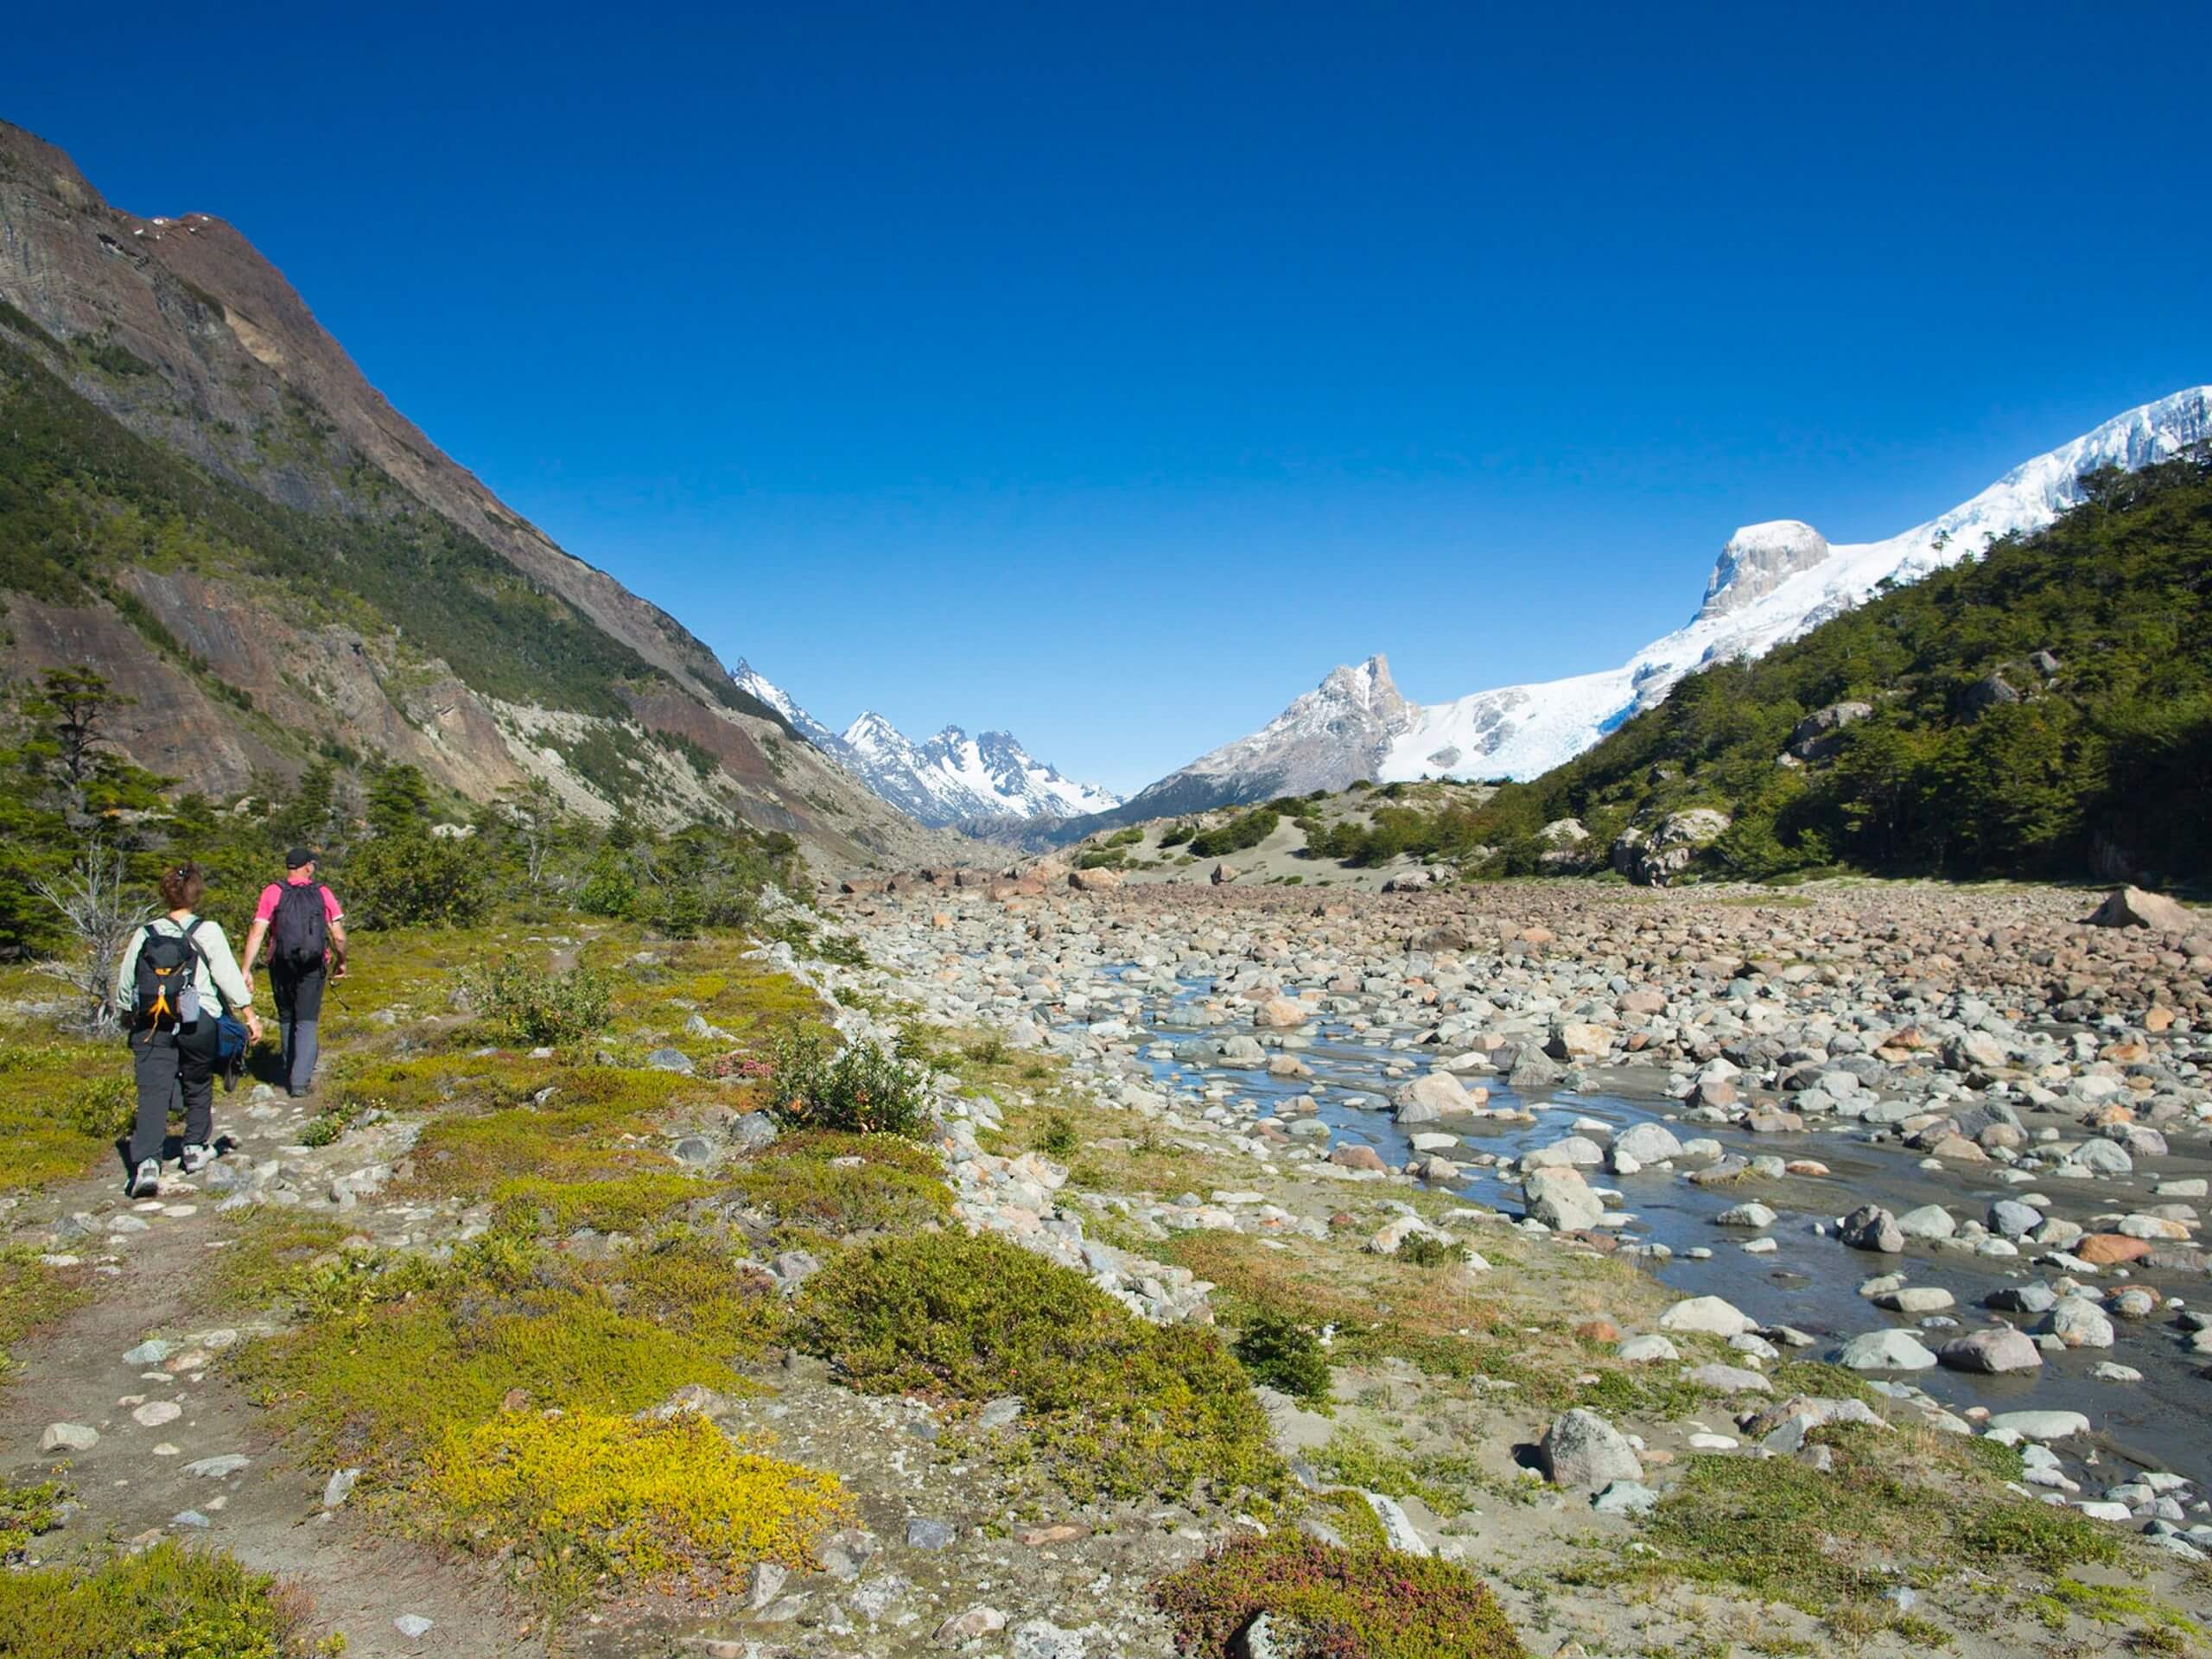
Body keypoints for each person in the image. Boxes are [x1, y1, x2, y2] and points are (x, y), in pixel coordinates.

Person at [115, 862, 262, 1198]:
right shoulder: (207, 930)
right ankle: (195, 1147)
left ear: (165, 893)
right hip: (199, 1019)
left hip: (153, 1022)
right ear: (196, 893)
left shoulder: (146, 932)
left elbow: (126, 984)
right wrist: (250, 1015)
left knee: (152, 1091)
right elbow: (227, 977)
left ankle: (147, 1165)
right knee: (198, 1080)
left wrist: (129, 1014)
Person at [240, 846, 347, 1098]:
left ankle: (288, 1071)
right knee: (307, 1019)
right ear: (308, 866)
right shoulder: (322, 892)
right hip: (313, 963)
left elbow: (257, 932)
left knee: (287, 1016)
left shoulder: (273, 891)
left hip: (281, 963)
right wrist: (341, 961)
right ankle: (300, 1081)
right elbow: (338, 936)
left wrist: (245, 969)